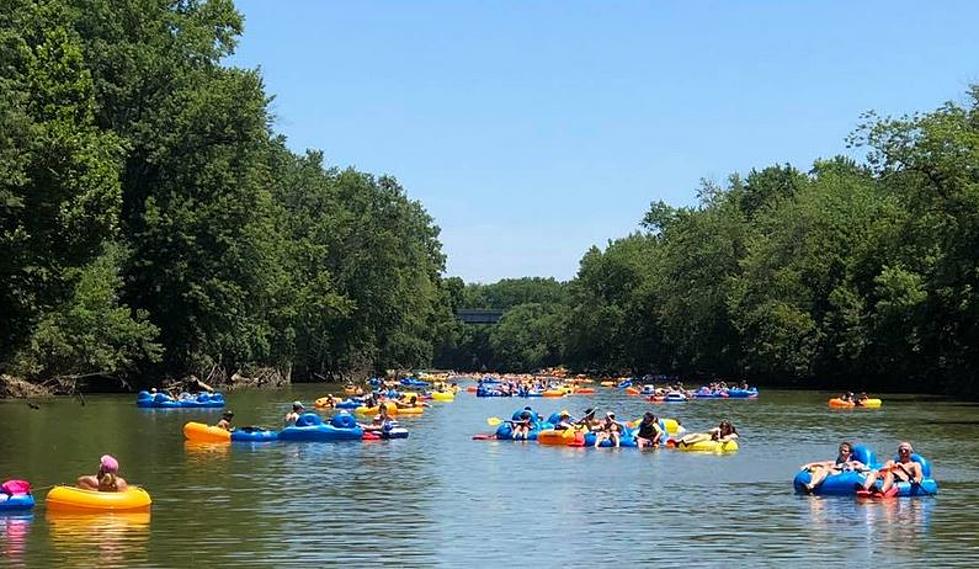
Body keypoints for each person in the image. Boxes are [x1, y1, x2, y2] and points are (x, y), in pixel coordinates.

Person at [799, 442, 868, 494]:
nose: (842, 453)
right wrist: (809, 465)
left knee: (826, 468)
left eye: (845, 451)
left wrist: (857, 468)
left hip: (845, 475)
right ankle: (811, 485)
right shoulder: (835, 463)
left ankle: (811, 486)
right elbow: (824, 463)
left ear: (851, 453)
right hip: (834, 475)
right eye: (841, 451)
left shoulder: (854, 463)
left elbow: (865, 468)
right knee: (821, 467)